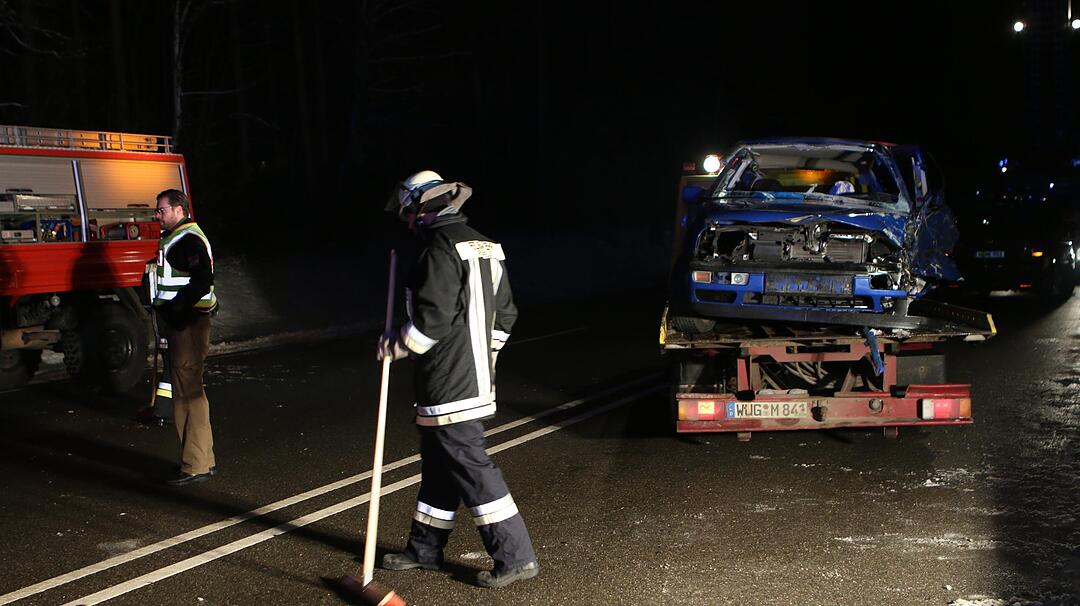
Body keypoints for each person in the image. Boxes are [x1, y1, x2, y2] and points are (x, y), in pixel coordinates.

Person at [377, 170, 539, 589]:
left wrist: (396, 344)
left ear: (419, 206)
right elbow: (506, 315)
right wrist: (486, 356)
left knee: (469, 464)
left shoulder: (437, 250)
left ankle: (515, 555)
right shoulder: (484, 245)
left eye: (407, 212)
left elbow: (431, 321)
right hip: (472, 375)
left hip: (448, 380)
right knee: (440, 462)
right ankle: (425, 548)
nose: (406, 221)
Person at [151, 189, 218, 486]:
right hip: (185, 323)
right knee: (187, 391)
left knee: (188, 394)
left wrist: (177, 310)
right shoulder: (176, 237)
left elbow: (203, 280)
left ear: (178, 209)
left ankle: (196, 466)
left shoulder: (187, 239)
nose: (157, 215)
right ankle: (201, 460)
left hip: (188, 325)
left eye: (161, 210)